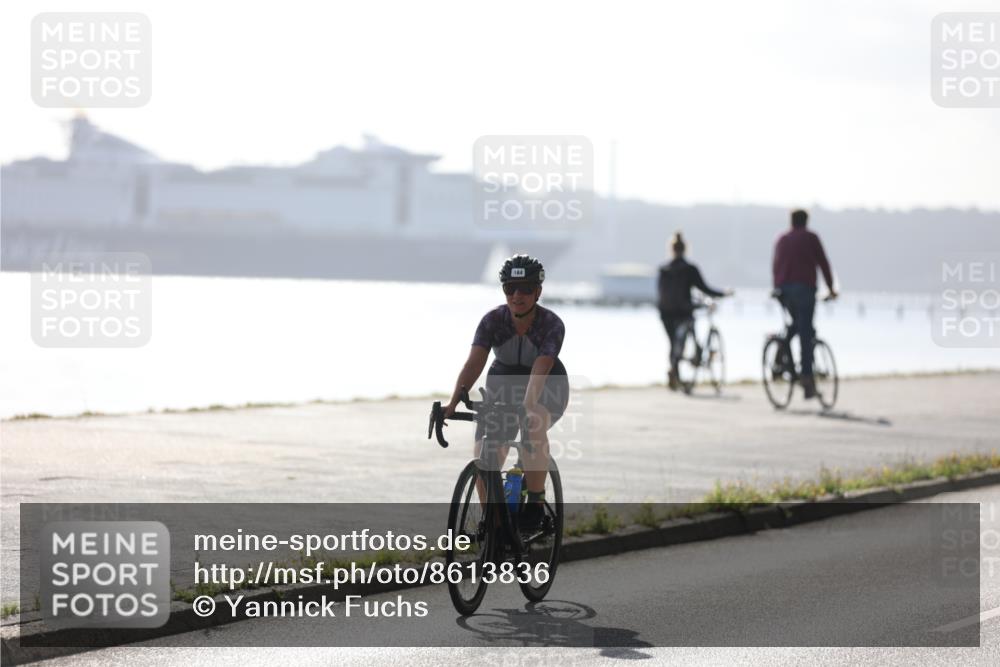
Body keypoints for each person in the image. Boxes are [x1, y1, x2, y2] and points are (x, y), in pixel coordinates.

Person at [444, 254, 569, 531]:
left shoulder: (551, 324)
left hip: (548, 386)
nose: (517, 295)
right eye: (510, 288)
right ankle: (494, 523)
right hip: (503, 384)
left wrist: (527, 405)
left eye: (525, 288)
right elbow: (474, 363)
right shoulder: (493, 321)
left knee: (534, 420)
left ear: (538, 291)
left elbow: (541, 365)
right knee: (485, 454)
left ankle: (535, 503)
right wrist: (452, 403)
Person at [772, 209, 837, 398]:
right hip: (805, 290)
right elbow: (823, 263)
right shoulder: (811, 238)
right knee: (806, 332)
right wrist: (831, 288)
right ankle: (807, 379)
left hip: (783, 290)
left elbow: (775, 266)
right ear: (806, 221)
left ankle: (781, 349)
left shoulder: (782, 238)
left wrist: (778, 288)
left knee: (796, 324)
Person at [657, 232, 730, 390]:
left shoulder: (663, 269)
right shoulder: (690, 269)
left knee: (673, 344)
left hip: (665, 312)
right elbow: (705, 288)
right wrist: (723, 294)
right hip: (684, 311)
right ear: (685, 249)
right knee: (687, 335)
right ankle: (694, 358)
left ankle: (674, 371)